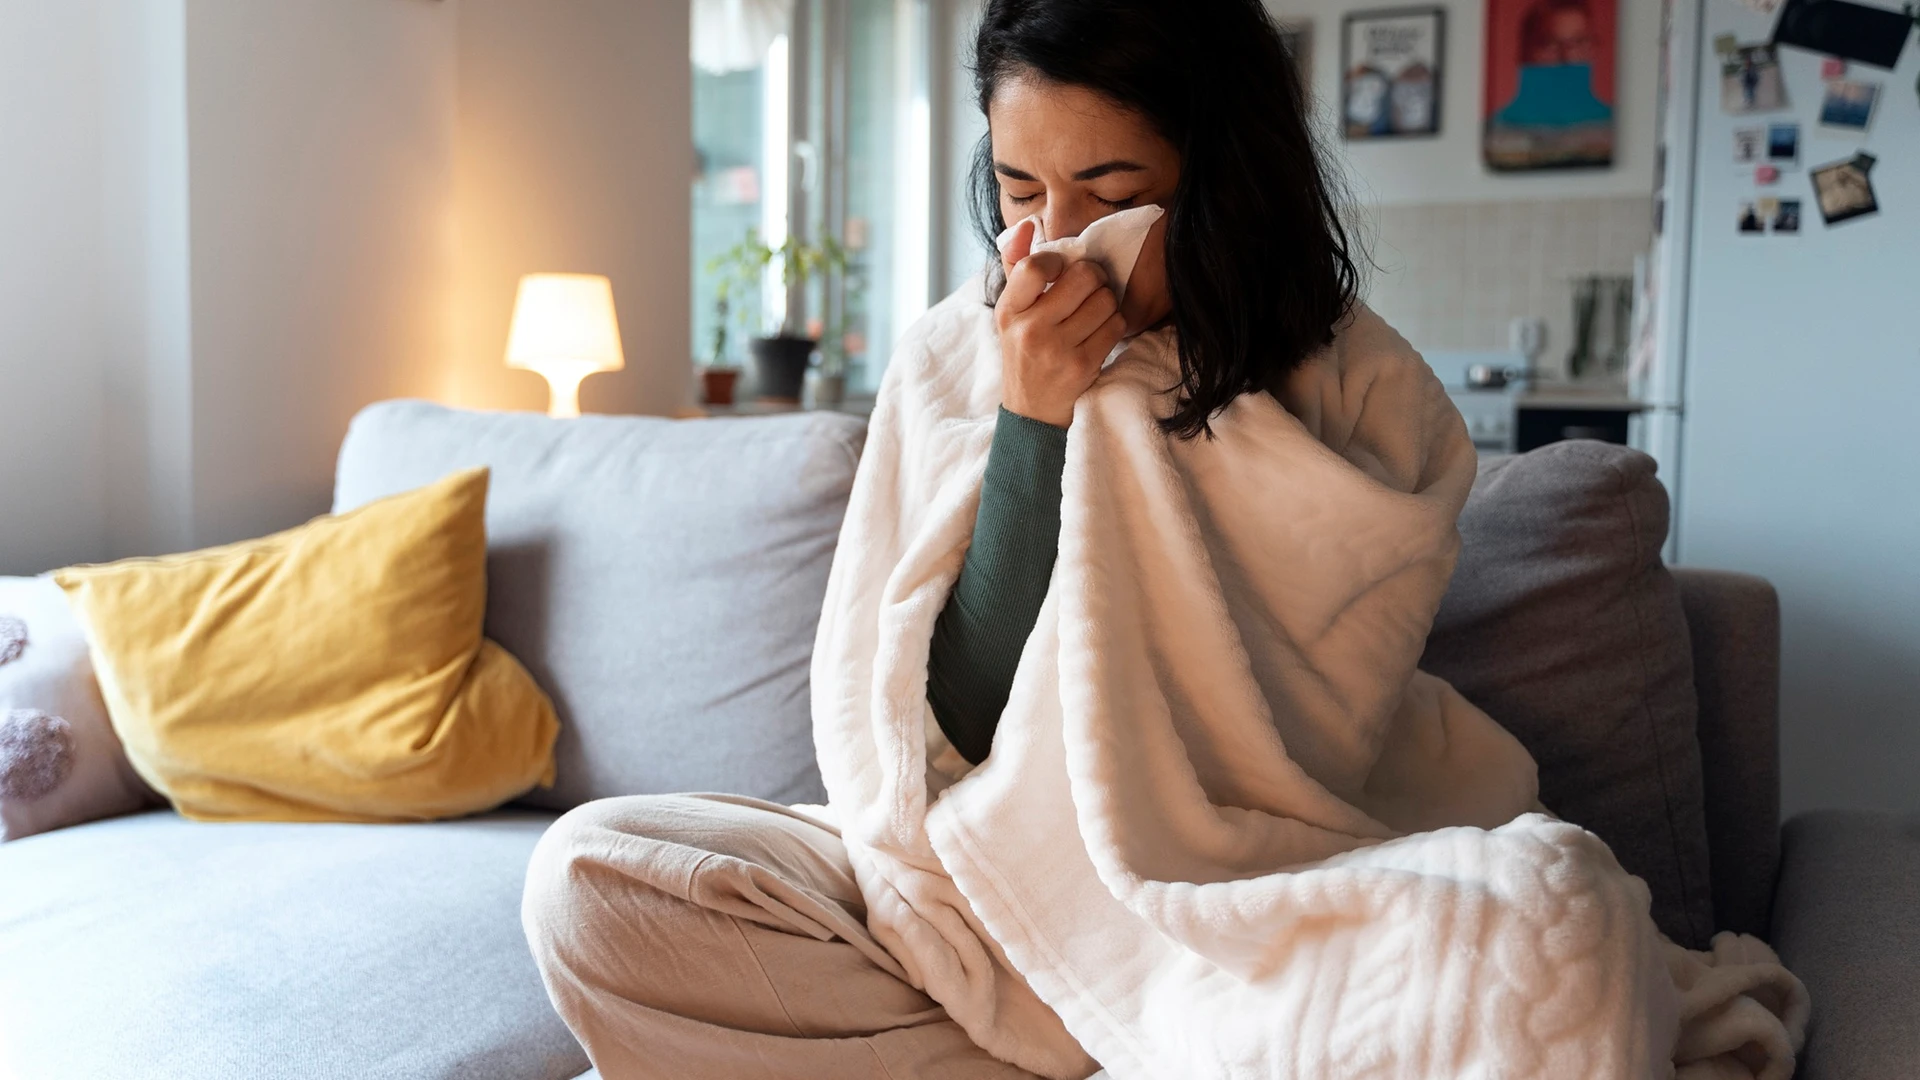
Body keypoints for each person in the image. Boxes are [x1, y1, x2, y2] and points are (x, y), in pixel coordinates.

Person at [518, 1, 1407, 1076]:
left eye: (1112, 196)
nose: (1058, 239)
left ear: (1224, 180)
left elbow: (1306, 747)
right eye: (1023, 191)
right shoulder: (954, 352)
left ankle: (1079, 1032)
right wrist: (1033, 419)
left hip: (1214, 906)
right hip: (953, 875)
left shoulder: (1352, 383)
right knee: (593, 877)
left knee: (1528, 930)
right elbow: (945, 734)